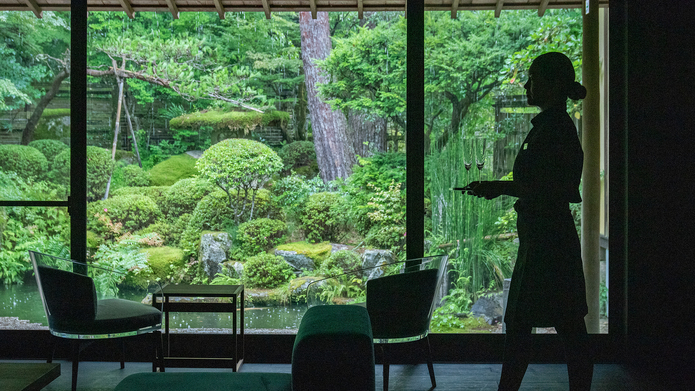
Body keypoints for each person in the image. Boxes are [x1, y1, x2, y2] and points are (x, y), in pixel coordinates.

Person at [465, 52, 593, 391]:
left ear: (552, 85)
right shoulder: (551, 127)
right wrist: (501, 187)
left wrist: (498, 187)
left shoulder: (554, 131)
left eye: (533, 78)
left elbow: (546, 187)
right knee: (558, 325)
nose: (526, 85)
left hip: (547, 240)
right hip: (544, 237)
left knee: (538, 325)